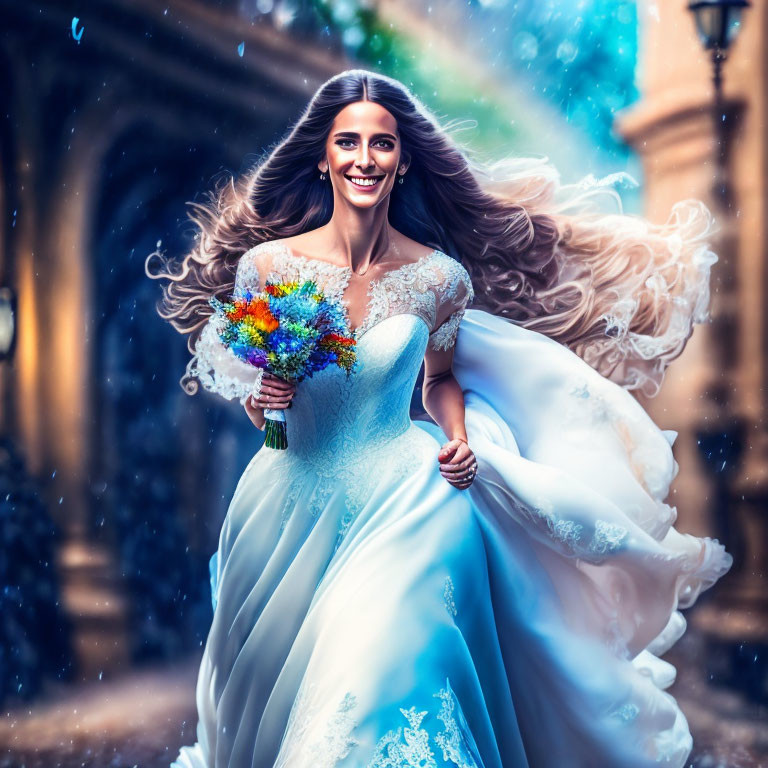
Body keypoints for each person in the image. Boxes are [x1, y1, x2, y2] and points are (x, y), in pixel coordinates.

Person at [146, 69, 733, 768]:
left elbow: (441, 381)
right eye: (349, 142)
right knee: (271, 708)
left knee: (381, 670)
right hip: (288, 505)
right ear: (322, 157)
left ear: (404, 161)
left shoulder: (439, 280)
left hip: (409, 494)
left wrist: (457, 441)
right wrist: (264, 399)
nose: (365, 158)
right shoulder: (268, 269)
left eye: (382, 144)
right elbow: (259, 400)